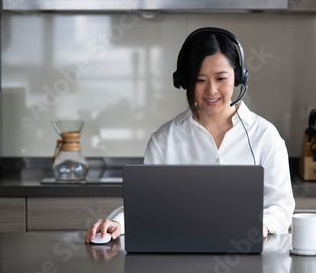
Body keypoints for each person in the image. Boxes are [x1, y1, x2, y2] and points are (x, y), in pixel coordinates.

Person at [85, 27, 295, 244]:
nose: (212, 90)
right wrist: (118, 223)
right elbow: (147, 207)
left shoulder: (265, 135)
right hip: (180, 257)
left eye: (221, 78)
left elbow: (281, 204)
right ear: (185, 80)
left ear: (238, 77)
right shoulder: (164, 140)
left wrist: (262, 225)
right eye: (200, 79)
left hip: (246, 255)